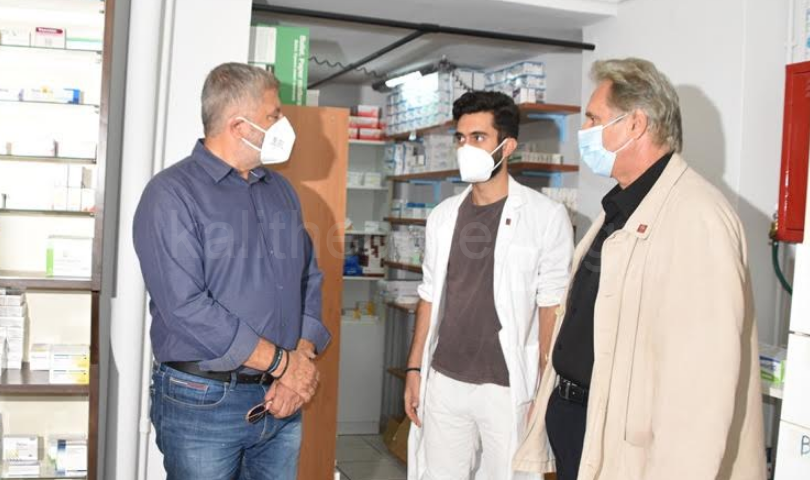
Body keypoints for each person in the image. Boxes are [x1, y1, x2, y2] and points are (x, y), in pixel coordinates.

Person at [513, 58, 766, 480]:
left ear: (635, 125)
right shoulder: (622, 206)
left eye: (594, 119)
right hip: (582, 421)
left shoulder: (697, 216)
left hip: (633, 447)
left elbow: (703, 384)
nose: (584, 130)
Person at [133, 62, 330, 480]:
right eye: (274, 115)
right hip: (204, 402)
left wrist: (297, 363)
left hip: (280, 400)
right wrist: (283, 364)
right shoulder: (170, 194)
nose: (284, 124)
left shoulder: (279, 190)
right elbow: (186, 306)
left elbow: (308, 277)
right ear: (239, 126)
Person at [405, 91, 574, 480]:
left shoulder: (545, 217)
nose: (466, 148)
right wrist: (415, 368)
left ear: (507, 145)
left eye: (478, 138)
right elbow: (429, 295)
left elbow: (551, 306)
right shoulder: (443, 216)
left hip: (506, 385)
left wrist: (544, 389)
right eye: (461, 138)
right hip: (445, 378)